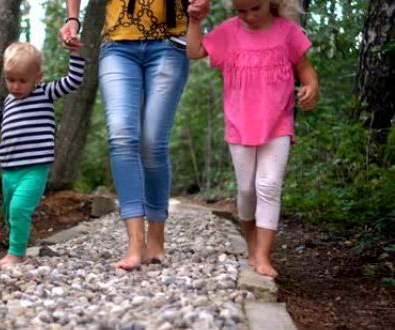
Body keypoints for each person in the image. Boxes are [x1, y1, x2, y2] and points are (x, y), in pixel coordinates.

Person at [60, 0, 210, 270]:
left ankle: (156, 236)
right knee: (121, 136)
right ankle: (135, 242)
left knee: (153, 142)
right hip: (118, 44)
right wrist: (73, 19)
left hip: (170, 43)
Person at [186, 0, 319, 277]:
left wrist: (311, 86)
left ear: (272, 3)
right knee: (247, 190)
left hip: (278, 122)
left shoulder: (288, 32)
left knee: (268, 186)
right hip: (240, 124)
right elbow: (195, 51)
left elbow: (305, 69)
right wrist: (195, 22)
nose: (247, 16)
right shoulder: (229, 32)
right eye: (241, 11)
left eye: (254, 9)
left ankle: (263, 255)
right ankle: (251, 242)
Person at [0, 42, 85, 270]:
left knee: (18, 209)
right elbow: (9, 126)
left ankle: (16, 254)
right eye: (10, 79)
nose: (15, 86)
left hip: (34, 168)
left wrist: (75, 53)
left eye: (22, 80)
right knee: (9, 212)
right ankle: (16, 246)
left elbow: (73, 80)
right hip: (9, 169)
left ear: (37, 77)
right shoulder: (9, 100)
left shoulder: (45, 92)